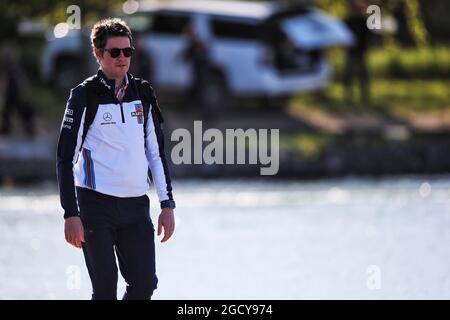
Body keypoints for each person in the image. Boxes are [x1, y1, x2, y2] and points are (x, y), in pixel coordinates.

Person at [56, 18, 176, 300]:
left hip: (136, 207)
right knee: (105, 290)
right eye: (114, 52)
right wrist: (70, 213)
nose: (122, 58)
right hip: (95, 206)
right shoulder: (83, 96)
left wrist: (167, 205)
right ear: (98, 54)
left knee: (145, 285)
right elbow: (64, 158)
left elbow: (156, 153)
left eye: (127, 51)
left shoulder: (143, 93)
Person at [0, 49, 36, 137]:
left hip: (16, 94)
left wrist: (24, 91)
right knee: (7, 113)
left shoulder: (16, 68)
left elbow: (21, 80)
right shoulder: (8, 68)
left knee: (21, 112)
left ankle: (28, 128)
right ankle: (7, 128)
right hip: (10, 94)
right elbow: (5, 81)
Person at [343, 0, 372, 106]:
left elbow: (369, 36)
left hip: (361, 52)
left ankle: (365, 98)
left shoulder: (364, 22)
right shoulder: (347, 21)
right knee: (348, 75)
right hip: (350, 52)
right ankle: (348, 97)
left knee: (363, 76)